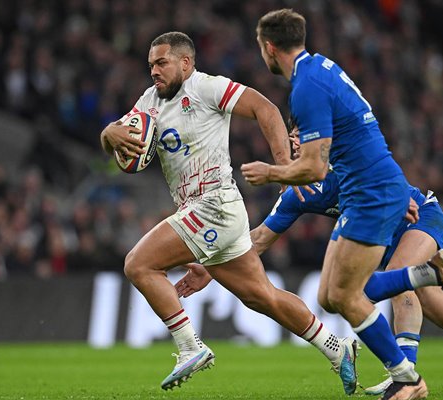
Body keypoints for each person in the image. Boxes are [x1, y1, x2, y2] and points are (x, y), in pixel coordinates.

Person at [177, 126, 443, 396]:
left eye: (299, 140)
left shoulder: (345, 164)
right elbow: (260, 239)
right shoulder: (296, 194)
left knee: (398, 284)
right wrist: (210, 269)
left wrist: (403, 197)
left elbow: (388, 172)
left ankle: (404, 378)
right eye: (289, 144)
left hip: (423, 218)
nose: (293, 148)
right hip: (390, 241)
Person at [99, 31, 363, 393]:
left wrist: (285, 168)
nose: (154, 71)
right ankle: (337, 347)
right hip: (205, 212)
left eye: (161, 63)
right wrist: (108, 134)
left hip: (214, 204)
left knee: (138, 264)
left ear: (186, 63)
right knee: (262, 296)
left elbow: (265, 109)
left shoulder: (206, 88)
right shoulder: (150, 101)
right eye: (150, 65)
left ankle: (189, 346)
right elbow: (120, 137)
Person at [240, 9, 443, 400]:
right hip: (369, 188)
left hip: (370, 191)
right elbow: (357, 133)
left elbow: (315, 167)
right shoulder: (321, 69)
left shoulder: (307, 87)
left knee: (349, 296)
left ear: (269, 47)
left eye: (260, 48)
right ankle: (427, 281)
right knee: (330, 297)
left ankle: (408, 376)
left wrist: (271, 172)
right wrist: (212, 264)